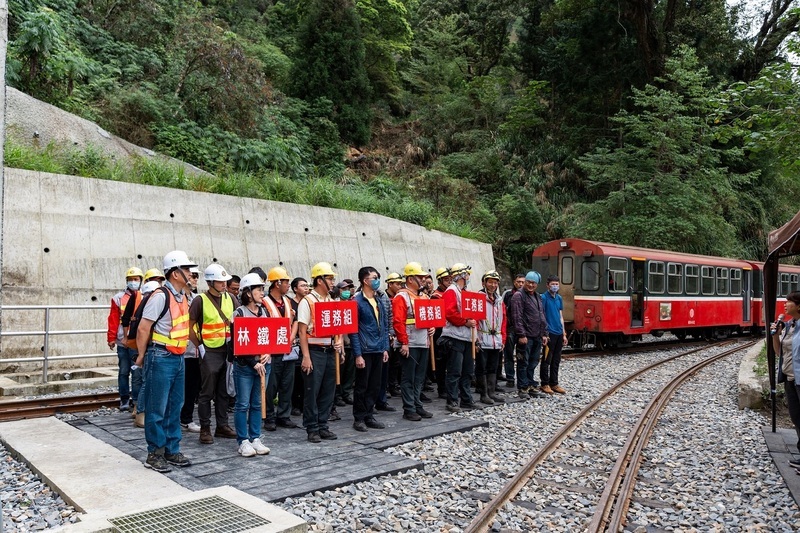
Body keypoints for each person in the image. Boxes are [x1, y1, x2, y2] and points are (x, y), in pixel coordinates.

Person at [134, 250, 196, 473]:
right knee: (157, 408)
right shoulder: (160, 296)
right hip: (160, 357)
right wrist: (142, 356)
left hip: (177, 357)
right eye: (187, 269)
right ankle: (155, 453)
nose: (190, 273)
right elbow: (143, 328)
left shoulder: (182, 297)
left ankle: (172, 449)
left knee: (174, 407)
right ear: (175, 273)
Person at [189, 263, 237, 444]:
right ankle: (205, 428)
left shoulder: (231, 298)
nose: (224, 284)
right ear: (210, 282)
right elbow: (189, 326)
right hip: (209, 350)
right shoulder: (199, 300)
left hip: (227, 350)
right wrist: (199, 345)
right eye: (220, 281)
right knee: (207, 392)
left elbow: (239, 319)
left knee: (224, 391)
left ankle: (222, 426)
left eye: (225, 281)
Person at [298, 262, 342, 443]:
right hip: (314, 351)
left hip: (330, 350)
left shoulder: (331, 302)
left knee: (328, 390)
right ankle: (312, 427)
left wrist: (338, 343)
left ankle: (323, 425)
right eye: (330, 279)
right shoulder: (307, 301)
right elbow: (302, 331)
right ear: (319, 280)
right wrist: (306, 357)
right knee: (312, 390)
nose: (332, 282)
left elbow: (338, 327)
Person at [231, 273, 272, 457]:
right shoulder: (239, 313)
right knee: (242, 404)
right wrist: (253, 362)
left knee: (257, 403)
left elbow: (271, 336)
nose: (262, 293)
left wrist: (268, 353)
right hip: (245, 366)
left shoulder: (264, 311)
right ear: (248, 293)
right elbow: (236, 345)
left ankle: (255, 437)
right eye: (258, 289)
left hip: (264, 364)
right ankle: (243, 440)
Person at [350, 267, 390, 432]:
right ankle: (359, 418)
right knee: (362, 385)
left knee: (375, 385)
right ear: (365, 280)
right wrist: (358, 354)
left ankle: (369, 414)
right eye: (374, 277)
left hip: (378, 349)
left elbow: (385, 325)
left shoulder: (379, 300)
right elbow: (354, 330)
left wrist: (385, 348)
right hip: (365, 349)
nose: (377, 280)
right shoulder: (356, 301)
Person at [392, 262, 434, 421]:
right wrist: (404, 342)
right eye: (420, 277)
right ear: (410, 279)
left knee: (419, 377)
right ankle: (409, 408)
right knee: (408, 377)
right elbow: (398, 321)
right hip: (410, 342)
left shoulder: (422, 296)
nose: (423, 280)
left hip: (422, 341)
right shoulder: (401, 297)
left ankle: (417, 405)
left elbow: (429, 318)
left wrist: (432, 328)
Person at [263, 267, 299, 431]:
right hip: (272, 351)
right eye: (286, 282)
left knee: (287, 384)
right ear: (277, 283)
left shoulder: (288, 301)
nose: (288, 285)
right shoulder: (264, 303)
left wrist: (292, 336)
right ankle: (269, 417)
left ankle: (284, 415)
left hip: (288, 350)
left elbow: (296, 320)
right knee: (271, 386)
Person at [440, 263, 477, 412]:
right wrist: (465, 322)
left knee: (467, 370)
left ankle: (466, 399)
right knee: (455, 371)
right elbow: (449, 312)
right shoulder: (451, 291)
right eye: (467, 274)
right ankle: (452, 401)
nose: (468, 277)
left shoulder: (463, 292)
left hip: (466, 337)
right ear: (462, 275)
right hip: (455, 336)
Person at [107, 267, 144, 411]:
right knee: (123, 371)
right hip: (122, 342)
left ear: (141, 281)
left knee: (136, 373)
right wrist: (111, 338)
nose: (133, 282)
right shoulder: (118, 298)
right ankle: (124, 399)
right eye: (130, 280)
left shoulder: (143, 297)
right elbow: (113, 320)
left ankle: (135, 401)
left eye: (136, 279)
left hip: (136, 342)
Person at [511, 271, 549, 399]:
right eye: (529, 282)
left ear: (537, 284)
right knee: (523, 362)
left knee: (533, 362)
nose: (531, 285)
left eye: (534, 283)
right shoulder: (518, 296)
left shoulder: (537, 296)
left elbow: (542, 315)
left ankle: (531, 384)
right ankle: (523, 387)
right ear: (525, 281)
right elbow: (517, 317)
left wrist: (544, 333)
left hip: (537, 335)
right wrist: (521, 334)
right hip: (526, 336)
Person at [774, 292, 800, 466]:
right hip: (790, 378)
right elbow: (779, 353)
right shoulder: (790, 325)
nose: (785, 304)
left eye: (789, 302)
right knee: (796, 417)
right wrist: (775, 334)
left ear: (798, 306)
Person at [477, 270, 506, 405]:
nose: (493, 285)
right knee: (482, 367)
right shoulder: (478, 298)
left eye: (495, 282)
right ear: (484, 283)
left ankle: (492, 392)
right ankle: (484, 394)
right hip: (483, 338)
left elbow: (503, 320)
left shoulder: (500, 301)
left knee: (493, 367)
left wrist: (503, 339)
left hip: (496, 340)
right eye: (490, 282)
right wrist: (476, 339)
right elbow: (474, 319)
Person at [180, 267, 202, 433]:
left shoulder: (197, 299)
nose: (195, 279)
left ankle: (186, 418)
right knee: (180, 388)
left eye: (196, 277)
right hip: (179, 349)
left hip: (195, 350)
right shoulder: (177, 298)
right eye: (193, 276)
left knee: (192, 387)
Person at [376, 273, 402, 413]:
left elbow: (389, 316)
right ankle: (369, 404)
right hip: (370, 343)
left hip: (385, 339)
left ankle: (382, 399)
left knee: (387, 369)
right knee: (372, 375)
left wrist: (391, 334)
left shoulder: (382, 297)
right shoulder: (359, 298)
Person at [540, 274, 568, 395]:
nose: (555, 286)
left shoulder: (559, 298)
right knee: (547, 359)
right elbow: (542, 315)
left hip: (558, 332)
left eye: (557, 284)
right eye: (553, 284)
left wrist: (564, 333)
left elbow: (561, 316)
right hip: (549, 332)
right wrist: (544, 333)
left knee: (556, 359)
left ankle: (554, 383)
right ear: (547, 285)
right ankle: (544, 383)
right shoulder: (543, 298)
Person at [334, 279, 356, 411]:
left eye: (348, 289)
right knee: (339, 371)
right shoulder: (334, 304)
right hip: (339, 343)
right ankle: (337, 394)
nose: (347, 291)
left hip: (351, 342)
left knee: (350, 371)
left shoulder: (352, 304)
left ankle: (346, 393)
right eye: (344, 289)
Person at [501, 274, 525, 387]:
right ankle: (510, 378)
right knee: (509, 355)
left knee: (521, 355)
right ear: (514, 282)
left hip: (523, 330)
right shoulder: (507, 294)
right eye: (518, 281)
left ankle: (522, 379)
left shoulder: (527, 295)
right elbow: (501, 310)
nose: (520, 284)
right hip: (510, 329)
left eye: (522, 282)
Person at [290, 277, 310, 417]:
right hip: (294, 344)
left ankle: (303, 403)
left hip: (307, 343)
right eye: (302, 286)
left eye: (307, 285)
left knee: (305, 377)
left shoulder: (309, 302)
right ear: (295, 289)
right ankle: (295, 404)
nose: (306, 288)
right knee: (295, 376)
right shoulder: (290, 303)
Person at [431, 267, 451, 399]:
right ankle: (442, 388)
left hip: (451, 330)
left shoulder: (453, 293)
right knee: (441, 362)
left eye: (450, 279)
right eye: (446, 279)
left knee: (452, 362)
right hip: (439, 331)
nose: (449, 282)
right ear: (440, 281)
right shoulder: (435, 296)